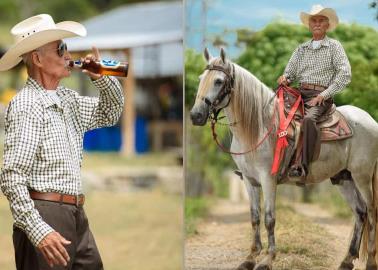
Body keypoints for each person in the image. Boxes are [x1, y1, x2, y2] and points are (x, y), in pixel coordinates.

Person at [0, 14, 124, 269]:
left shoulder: (69, 99)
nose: (68, 55)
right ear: (37, 59)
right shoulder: (26, 105)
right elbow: (11, 176)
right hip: (44, 214)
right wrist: (38, 231)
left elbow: (111, 112)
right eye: (61, 49)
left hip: (76, 213)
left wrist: (101, 76)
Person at [277, 4, 351, 178]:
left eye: (321, 20)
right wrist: (285, 79)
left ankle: (301, 166)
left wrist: (324, 95)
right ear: (309, 25)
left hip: (321, 96)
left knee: (309, 120)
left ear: (327, 25)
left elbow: (345, 74)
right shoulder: (301, 49)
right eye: (314, 21)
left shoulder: (334, 47)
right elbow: (290, 73)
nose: (317, 23)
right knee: (271, 111)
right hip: (298, 94)